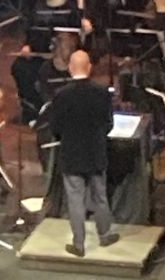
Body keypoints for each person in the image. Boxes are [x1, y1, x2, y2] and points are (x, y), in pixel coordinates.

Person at [50, 50, 119, 257]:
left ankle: (79, 244)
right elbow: (109, 124)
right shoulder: (102, 93)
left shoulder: (61, 95)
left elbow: (55, 127)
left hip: (72, 155)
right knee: (100, 196)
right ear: (89, 68)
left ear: (70, 68)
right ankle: (105, 235)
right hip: (96, 153)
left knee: (75, 200)